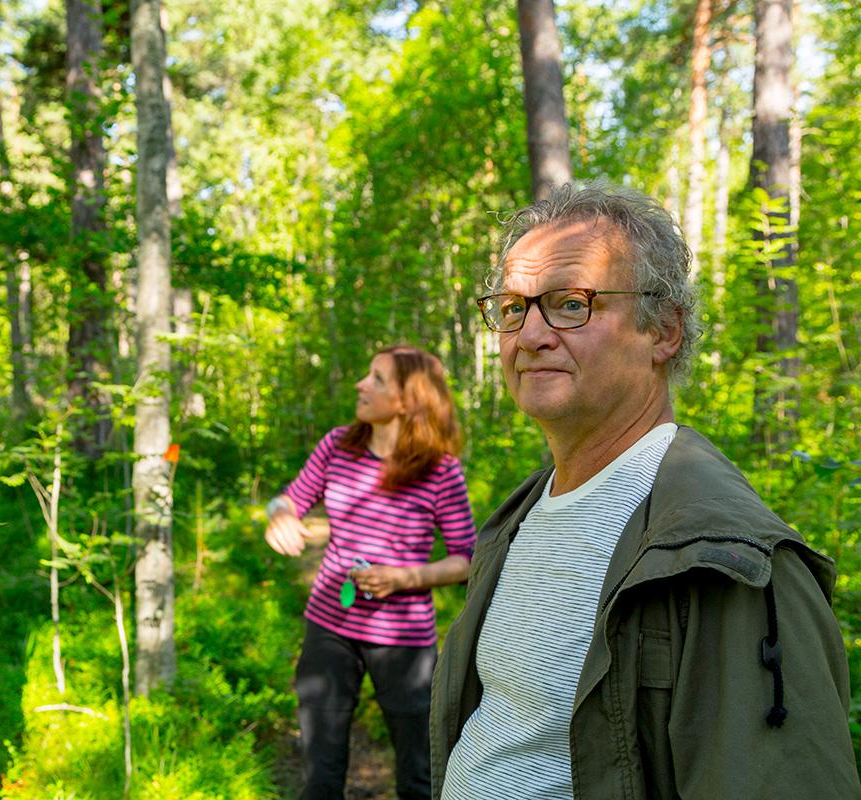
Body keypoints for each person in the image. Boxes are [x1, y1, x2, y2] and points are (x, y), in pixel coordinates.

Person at [430, 183, 861, 799]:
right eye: (513, 308)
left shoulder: (726, 558)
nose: (529, 336)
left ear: (663, 331)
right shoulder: (519, 519)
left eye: (570, 304)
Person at [265, 344, 477, 800]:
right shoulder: (338, 445)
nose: (361, 384)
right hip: (328, 626)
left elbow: (466, 559)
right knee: (320, 775)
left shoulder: (441, 470)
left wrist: (406, 578)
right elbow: (290, 498)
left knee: (420, 777)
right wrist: (279, 515)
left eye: (377, 379)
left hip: (403, 641)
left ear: (408, 399)